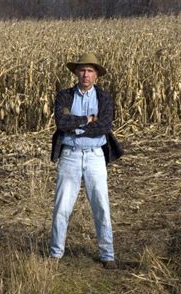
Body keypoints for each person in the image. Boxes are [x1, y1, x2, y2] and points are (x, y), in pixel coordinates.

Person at [49, 53, 123, 269]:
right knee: (62, 207)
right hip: (69, 155)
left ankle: (107, 255)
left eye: (90, 70)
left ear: (96, 75)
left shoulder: (104, 98)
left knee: (101, 205)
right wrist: (87, 119)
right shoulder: (64, 96)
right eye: (82, 70)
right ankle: (55, 254)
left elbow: (104, 127)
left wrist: (77, 128)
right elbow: (61, 122)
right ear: (75, 73)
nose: (85, 74)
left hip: (95, 156)